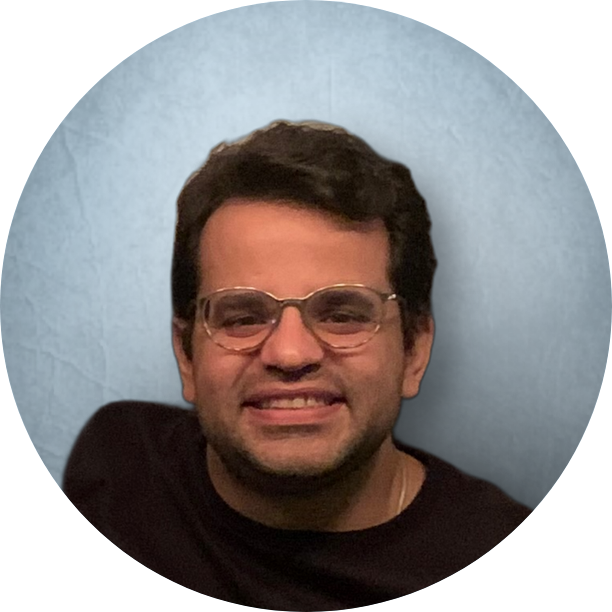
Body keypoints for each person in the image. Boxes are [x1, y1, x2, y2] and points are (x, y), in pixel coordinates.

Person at [63, 120, 531, 609]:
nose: (290, 355)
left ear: (414, 351)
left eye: (342, 315)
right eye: (243, 317)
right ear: (186, 355)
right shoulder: (115, 477)